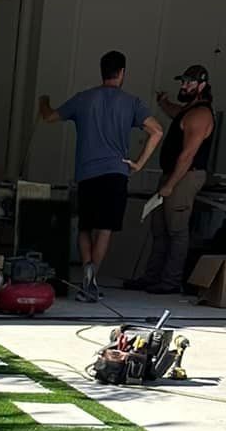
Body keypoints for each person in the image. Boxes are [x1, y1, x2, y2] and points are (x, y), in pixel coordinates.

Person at [38, 52, 163, 303]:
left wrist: (44, 102)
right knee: (105, 229)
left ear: (102, 71)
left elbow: (49, 117)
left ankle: (86, 270)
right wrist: (138, 163)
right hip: (116, 173)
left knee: (85, 226)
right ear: (122, 73)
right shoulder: (132, 102)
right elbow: (157, 131)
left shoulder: (83, 99)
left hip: (87, 173)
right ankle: (92, 278)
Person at [136, 63, 217, 294]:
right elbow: (175, 112)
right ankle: (152, 278)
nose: (184, 85)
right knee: (159, 229)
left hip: (184, 177)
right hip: (172, 175)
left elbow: (188, 155)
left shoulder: (201, 113)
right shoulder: (188, 109)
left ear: (202, 85)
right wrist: (163, 103)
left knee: (177, 230)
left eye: (189, 82)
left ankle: (170, 282)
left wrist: (170, 185)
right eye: (182, 81)